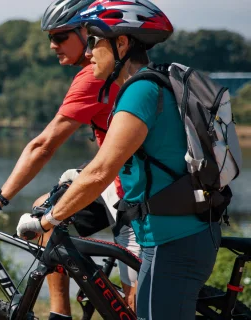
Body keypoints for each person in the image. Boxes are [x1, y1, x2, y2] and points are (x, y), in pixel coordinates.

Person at [15, 0, 222, 319]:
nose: (87, 52)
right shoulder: (148, 85)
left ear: (122, 43)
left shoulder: (141, 91)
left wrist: (49, 219)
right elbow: (120, 163)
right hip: (166, 236)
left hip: (174, 241)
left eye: (94, 41)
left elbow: (101, 171)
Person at [0, 0, 140, 318]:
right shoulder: (105, 72)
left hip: (133, 185)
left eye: (60, 36)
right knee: (47, 216)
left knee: (136, 308)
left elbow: (43, 146)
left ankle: (76, 310)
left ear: (87, 32)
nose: (53, 45)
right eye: (49, 38)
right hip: (118, 177)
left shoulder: (93, 77)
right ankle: (61, 313)